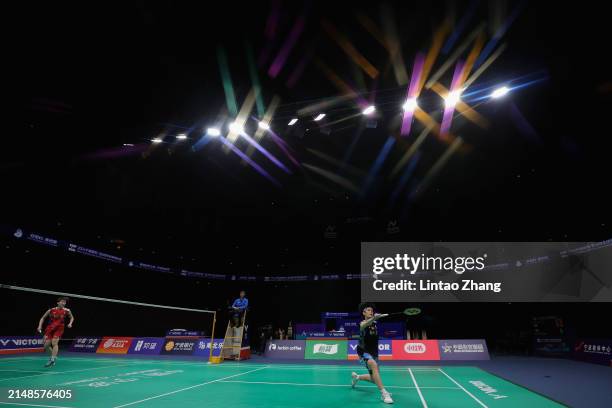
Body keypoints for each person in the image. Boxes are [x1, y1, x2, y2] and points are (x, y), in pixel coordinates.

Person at [351, 303, 393, 404]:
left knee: (374, 378)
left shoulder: (374, 323)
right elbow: (364, 325)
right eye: (369, 310)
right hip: (363, 351)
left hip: (374, 352)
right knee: (373, 365)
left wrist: (375, 318)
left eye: (372, 310)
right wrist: (374, 318)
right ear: (364, 312)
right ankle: (384, 394)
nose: (371, 312)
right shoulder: (362, 323)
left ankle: (357, 377)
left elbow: (372, 323)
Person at [37, 297, 75, 368]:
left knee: (54, 343)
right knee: (46, 346)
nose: (64, 303)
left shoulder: (67, 310)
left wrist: (70, 323)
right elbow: (43, 318)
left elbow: (72, 317)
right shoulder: (51, 310)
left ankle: (52, 359)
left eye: (65, 302)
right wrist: (39, 326)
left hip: (59, 328)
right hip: (50, 328)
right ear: (58, 302)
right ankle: (53, 357)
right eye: (62, 302)